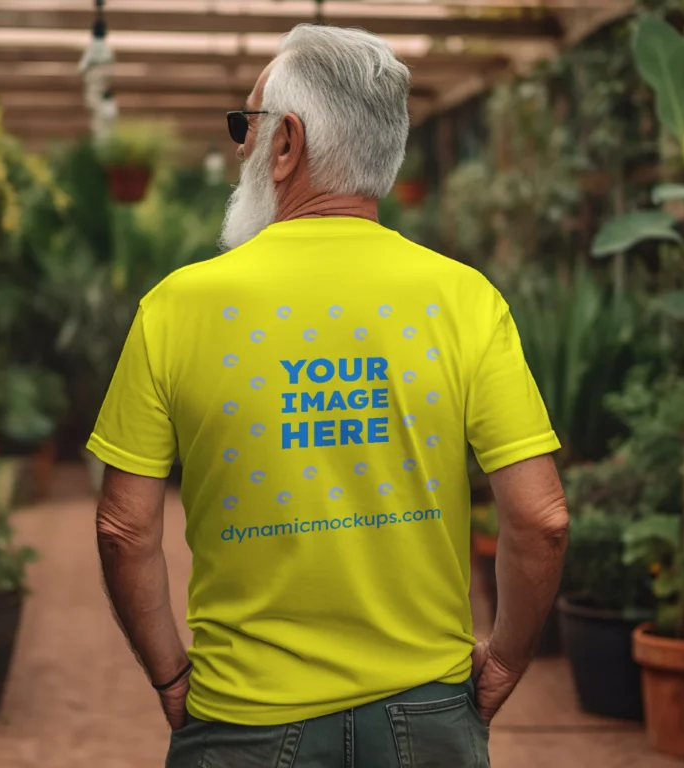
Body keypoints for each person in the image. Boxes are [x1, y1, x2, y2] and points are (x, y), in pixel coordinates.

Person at [89, 24, 569, 768]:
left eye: (248, 127)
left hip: (243, 719)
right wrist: (503, 661)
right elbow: (541, 519)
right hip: (428, 715)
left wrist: (170, 672)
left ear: (286, 144)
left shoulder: (176, 308)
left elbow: (123, 529)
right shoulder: (464, 300)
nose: (239, 150)